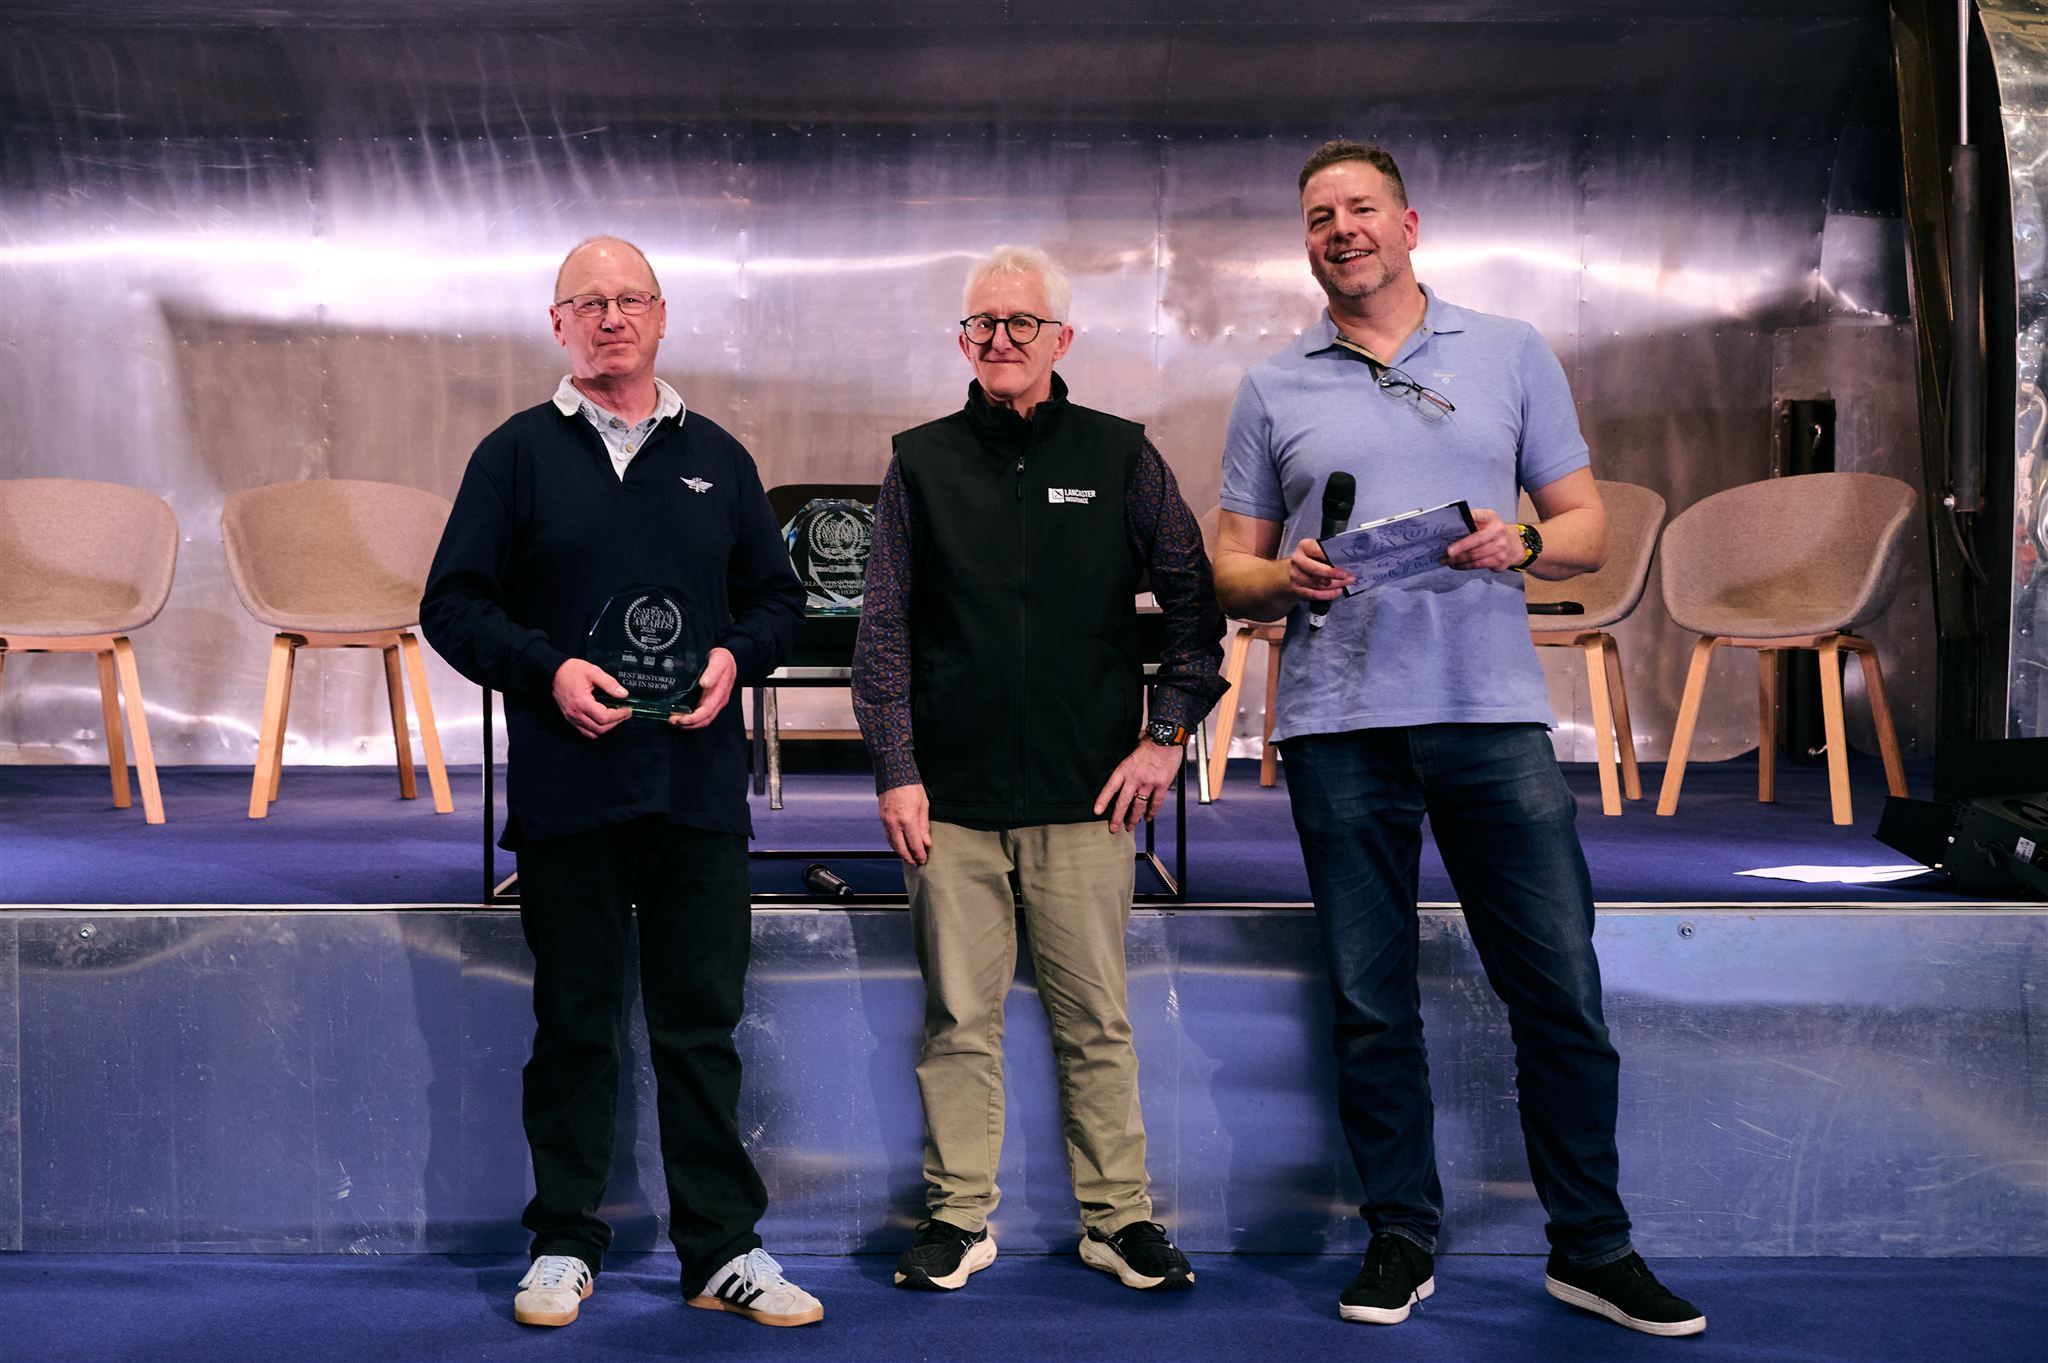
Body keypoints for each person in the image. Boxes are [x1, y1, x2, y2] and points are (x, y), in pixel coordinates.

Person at [1211, 142, 1706, 1338]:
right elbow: (1227, 567)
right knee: (1371, 1005)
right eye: (1319, 215)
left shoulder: (1510, 351)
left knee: (1559, 992)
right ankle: (1398, 1236)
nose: (1340, 229)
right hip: (1337, 729)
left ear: (1409, 222)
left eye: (1361, 209)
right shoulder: (1272, 385)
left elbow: (1584, 525)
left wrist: (1520, 545)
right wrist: (1283, 575)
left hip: (1490, 721)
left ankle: (1590, 1247)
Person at [420, 235, 821, 1331]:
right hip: (570, 789)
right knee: (575, 1026)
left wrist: (739, 656)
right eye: (586, 302)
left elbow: (776, 602)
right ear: (556, 324)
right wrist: (547, 669)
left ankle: (723, 1250)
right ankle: (563, 1239)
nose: (609, 318)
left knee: (701, 1026)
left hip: (694, 789)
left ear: (660, 314)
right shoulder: (513, 456)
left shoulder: (720, 459)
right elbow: (451, 605)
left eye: (629, 299)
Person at [852, 245, 1226, 1294]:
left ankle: (1116, 1221)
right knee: (956, 1024)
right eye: (982, 324)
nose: (1000, 341)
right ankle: (957, 1217)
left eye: (1021, 323)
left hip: (1084, 797)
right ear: (961, 340)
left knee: (1095, 1022)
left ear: (1062, 338)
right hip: (951, 801)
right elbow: (881, 627)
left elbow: (1197, 611)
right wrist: (894, 766)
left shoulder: (1121, 455)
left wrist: (1164, 736)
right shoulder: (917, 462)